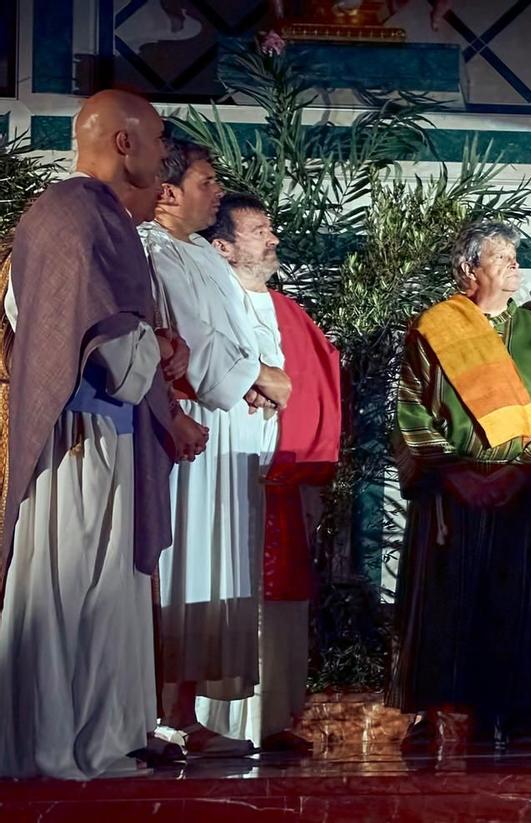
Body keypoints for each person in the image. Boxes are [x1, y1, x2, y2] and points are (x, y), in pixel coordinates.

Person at [0, 90, 206, 779]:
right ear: (123, 143)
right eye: (152, 141)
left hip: (94, 430)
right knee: (77, 592)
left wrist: (153, 348)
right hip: (83, 437)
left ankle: (100, 735)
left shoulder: (67, 213)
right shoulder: (81, 215)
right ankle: (70, 746)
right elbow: (103, 344)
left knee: (93, 592)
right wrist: (160, 348)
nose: (160, 156)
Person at [143, 139, 293, 757]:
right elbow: (187, 338)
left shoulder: (201, 254)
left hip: (226, 420)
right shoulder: (153, 251)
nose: (216, 191)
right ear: (170, 192)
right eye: (206, 182)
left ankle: (188, 709)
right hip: (183, 424)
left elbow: (233, 329)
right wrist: (254, 377)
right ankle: (156, 714)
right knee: (181, 564)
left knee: (215, 562)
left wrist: (254, 376)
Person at [393, 222, 531, 750]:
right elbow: (412, 407)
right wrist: (454, 473)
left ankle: (506, 715)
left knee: (510, 601)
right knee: (445, 602)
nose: (513, 264)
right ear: (468, 270)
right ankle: (437, 713)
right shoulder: (435, 327)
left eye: (514, 256)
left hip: (514, 488)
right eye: (501, 256)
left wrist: (518, 472)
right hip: (452, 490)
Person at [197, 193, 340, 754]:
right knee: (224, 588)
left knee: (281, 599)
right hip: (224, 474)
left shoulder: (289, 310)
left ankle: (275, 717)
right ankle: (219, 724)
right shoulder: (210, 306)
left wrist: (309, 461)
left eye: (271, 228)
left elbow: (322, 386)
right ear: (223, 247)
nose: (273, 238)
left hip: (283, 478)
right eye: (259, 231)